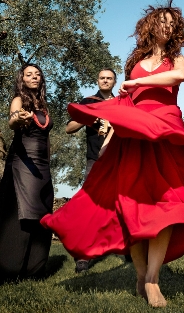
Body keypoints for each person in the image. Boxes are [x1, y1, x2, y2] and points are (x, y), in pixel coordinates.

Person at [41, 0, 184, 308]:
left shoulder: (177, 60)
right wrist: (109, 139)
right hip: (133, 137)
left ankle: (154, 279)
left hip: (165, 132)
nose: (168, 28)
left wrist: (132, 82)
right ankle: (141, 275)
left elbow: (177, 78)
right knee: (134, 208)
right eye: (163, 22)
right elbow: (126, 106)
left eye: (173, 25)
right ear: (151, 26)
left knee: (167, 206)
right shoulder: (134, 64)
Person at [0, 64, 54, 285]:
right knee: (20, 215)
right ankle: (7, 271)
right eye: (29, 74)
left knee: (41, 215)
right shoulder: (18, 100)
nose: (34, 77)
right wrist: (18, 119)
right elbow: (12, 120)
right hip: (23, 163)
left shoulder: (43, 105)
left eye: (38, 74)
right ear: (21, 79)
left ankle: (33, 269)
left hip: (42, 166)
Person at [64, 68, 117, 273]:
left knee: (124, 204)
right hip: (95, 160)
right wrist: (90, 117)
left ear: (114, 81)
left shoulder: (121, 101)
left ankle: (130, 250)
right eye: (102, 77)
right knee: (89, 206)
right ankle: (83, 257)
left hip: (119, 160)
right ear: (98, 80)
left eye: (109, 78)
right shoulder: (88, 101)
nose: (105, 80)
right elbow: (69, 128)